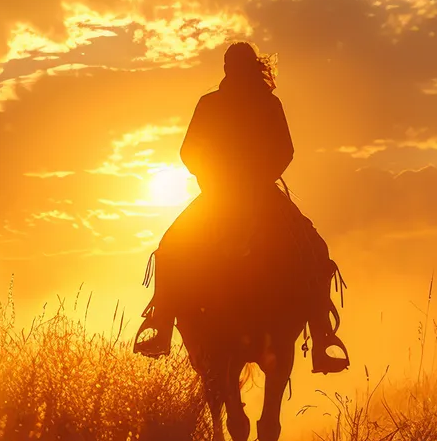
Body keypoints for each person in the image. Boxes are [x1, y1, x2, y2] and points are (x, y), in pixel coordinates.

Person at [132, 42, 350, 374]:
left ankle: (322, 333)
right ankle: (160, 322)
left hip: (252, 192)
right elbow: (191, 151)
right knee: (169, 248)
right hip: (224, 192)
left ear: (240, 68)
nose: (231, 72)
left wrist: (256, 178)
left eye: (236, 66)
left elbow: (283, 150)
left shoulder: (263, 105)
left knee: (315, 250)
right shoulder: (214, 104)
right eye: (230, 66)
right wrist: (214, 178)